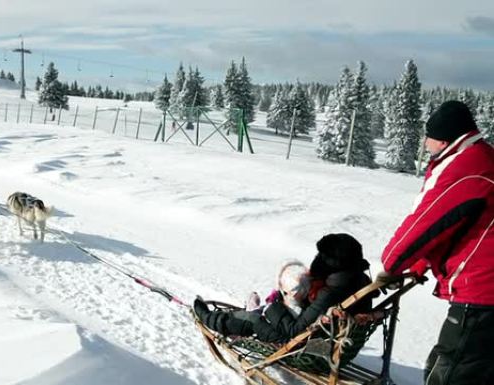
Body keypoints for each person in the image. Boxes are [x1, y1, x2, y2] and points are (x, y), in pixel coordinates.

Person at [380, 100, 494, 385]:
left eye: (427, 136)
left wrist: (392, 264)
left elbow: (427, 222)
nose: (425, 141)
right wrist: (420, 263)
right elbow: (460, 226)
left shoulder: (467, 166)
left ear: (443, 139)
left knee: (449, 372)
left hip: (483, 291)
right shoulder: (481, 156)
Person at [194, 233, 373, 343]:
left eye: (322, 255)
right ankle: (251, 311)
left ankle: (209, 318)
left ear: (333, 263)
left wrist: (275, 308)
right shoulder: (359, 280)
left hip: (304, 344)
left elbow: (294, 331)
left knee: (255, 320)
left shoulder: (330, 293)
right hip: (328, 336)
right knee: (266, 312)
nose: (317, 258)